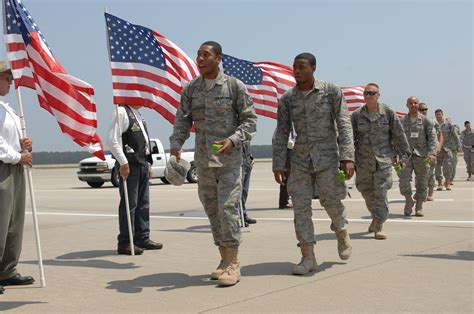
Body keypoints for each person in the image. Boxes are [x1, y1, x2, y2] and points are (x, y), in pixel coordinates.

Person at [169, 41, 257, 286]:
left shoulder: (234, 87)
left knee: (228, 207)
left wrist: (233, 139)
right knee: (212, 209)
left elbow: (250, 122)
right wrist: (176, 143)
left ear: (218, 58)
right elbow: (182, 119)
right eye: (198, 54)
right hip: (204, 161)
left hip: (228, 160)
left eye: (205, 55)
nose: (200, 58)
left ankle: (234, 263)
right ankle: (223, 258)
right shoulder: (192, 89)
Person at [273, 52, 355, 275]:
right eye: (295, 67)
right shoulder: (288, 99)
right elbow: (281, 132)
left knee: (331, 202)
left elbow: (344, 124)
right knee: (300, 209)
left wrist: (347, 157)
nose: (297, 71)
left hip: (328, 157)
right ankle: (308, 257)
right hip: (300, 160)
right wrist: (279, 163)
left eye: (302, 67)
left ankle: (341, 230)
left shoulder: (330, 91)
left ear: (313, 68)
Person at [351, 83, 410, 239]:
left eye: (372, 93)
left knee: (381, 193)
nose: (368, 96)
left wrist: (403, 156)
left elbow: (398, 135)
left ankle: (378, 225)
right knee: (366, 191)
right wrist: (347, 160)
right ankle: (376, 217)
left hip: (383, 160)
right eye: (366, 93)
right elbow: (350, 139)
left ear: (378, 95)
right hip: (363, 162)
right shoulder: (356, 115)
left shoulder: (388, 113)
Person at [108, 104, 163, 255]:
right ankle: (125, 242)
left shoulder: (138, 114)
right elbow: (112, 140)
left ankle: (142, 238)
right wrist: (123, 162)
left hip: (142, 164)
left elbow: (143, 141)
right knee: (129, 205)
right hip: (130, 165)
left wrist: (149, 162)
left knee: (143, 204)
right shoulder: (121, 111)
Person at [0, 61, 35, 292]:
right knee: (1, 222)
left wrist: (24, 145)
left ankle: (6, 270)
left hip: (14, 166)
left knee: (14, 223)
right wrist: (17, 156)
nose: (11, 83)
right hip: (4, 167)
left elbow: (8, 140)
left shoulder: (6, 107)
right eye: (6, 79)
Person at [398, 97, 437, 217]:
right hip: (406, 156)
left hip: (423, 156)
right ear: (407, 105)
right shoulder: (402, 121)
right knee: (403, 179)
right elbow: (397, 138)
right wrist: (395, 155)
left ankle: (419, 204)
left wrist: (432, 153)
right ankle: (408, 200)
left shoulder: (426, 121)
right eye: (411, 103)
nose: (413, 105)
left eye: (415, 103)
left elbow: (432, 138)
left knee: (422, 181)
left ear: (418, 105)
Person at [418, 103, 443, 201]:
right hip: (419, 153)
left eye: (425, 109)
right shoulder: (414, 121)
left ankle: (430, 192)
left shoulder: (432, 121)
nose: (424, 111)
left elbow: (440, 134)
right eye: (421, 109)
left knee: (429, 172)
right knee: (420, 173)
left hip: (430, 153)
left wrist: (439, 146)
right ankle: (421, 193)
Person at [434, 109, 461, 190]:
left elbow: (455, 136)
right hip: (437, 149)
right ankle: (439, 183)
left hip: (447, 148)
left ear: (442, 115)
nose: (438, 116)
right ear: (435, 115)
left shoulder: (448, 125)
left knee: (448, 166)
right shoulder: (433, 124)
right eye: (437, 114)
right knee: (437, 167)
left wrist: (458, 146)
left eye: (440, 114)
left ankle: (447, 182)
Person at [238, 141, 256, 226]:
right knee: (237, 192)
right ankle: (238, 217)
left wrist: (251, 157)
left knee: (244, 192)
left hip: (246, 162)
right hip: (236, 163)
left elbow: (247, 146)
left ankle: (244, 215)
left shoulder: (245, 131)